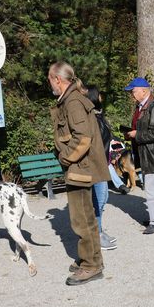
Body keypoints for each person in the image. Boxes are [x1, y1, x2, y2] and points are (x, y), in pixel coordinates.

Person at [48, 62, 110, 285]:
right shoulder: (71, 99)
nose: (50, 84)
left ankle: (91, 266)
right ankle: (91, 258)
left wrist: (65, 158)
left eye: (50, 79)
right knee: (86, 217)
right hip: (80, 167)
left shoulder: (73, 101)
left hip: (79, 168)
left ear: (58, 79)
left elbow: (83, 138)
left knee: (81, 219)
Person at [124, 77, 154, 235]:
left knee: (152, 190)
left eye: (133, 91)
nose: (131, 94)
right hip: (150, 154)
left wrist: (136, 134)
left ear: (144, 91)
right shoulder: (142, 106)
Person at [86, 87, 120, 251]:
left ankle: (99, 230)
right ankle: (96, 236)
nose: (101, 96)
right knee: (98, 201)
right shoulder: (91, 117)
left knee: (103, 198)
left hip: (103, 163)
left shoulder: (98, 115)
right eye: (99, 94)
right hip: (95, 165)